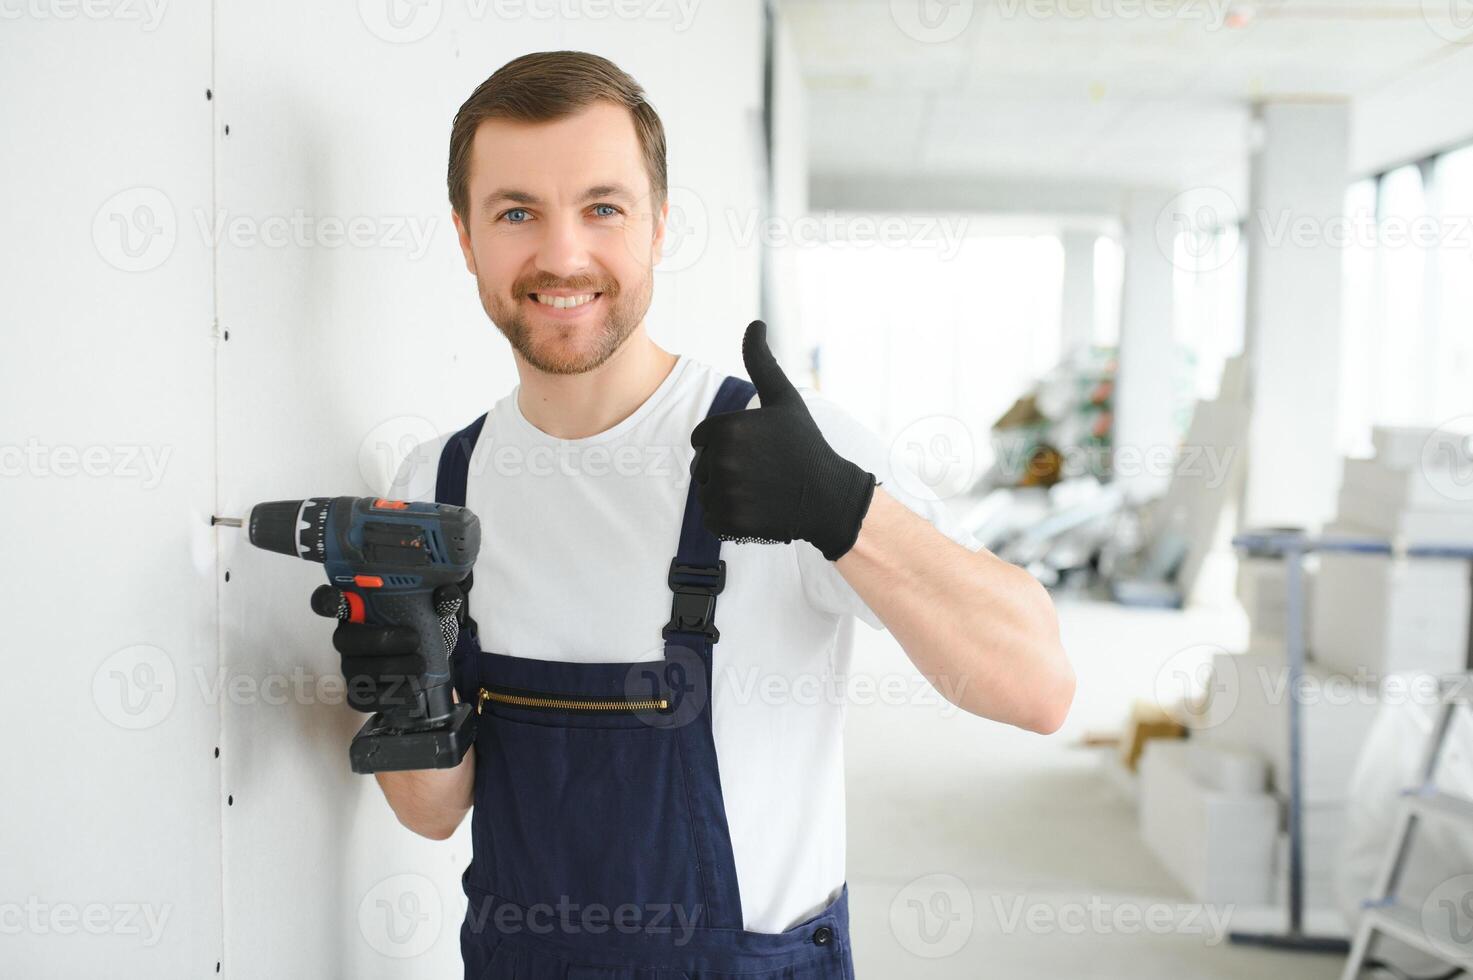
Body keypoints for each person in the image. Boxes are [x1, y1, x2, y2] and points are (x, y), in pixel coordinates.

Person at [337, 49, 1073, 980]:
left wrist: (840, 509)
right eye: (516, 212)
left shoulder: (783, 449)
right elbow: (432, 811)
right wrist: (403, 684)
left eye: (603, 208)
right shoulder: (439, 483)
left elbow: (1038, 688)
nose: (562, 255)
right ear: (464, 236)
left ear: (658, 228)